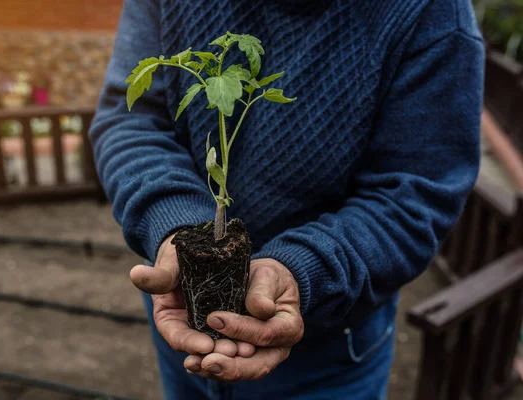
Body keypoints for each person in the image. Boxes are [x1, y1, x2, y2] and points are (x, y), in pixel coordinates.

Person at [90, 0, 484, 398]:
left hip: (327, 355)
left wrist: (303, 271)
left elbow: (412, 195)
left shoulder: (432, 14)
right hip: (182, 309)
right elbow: (132, 121)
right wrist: (173, 221)